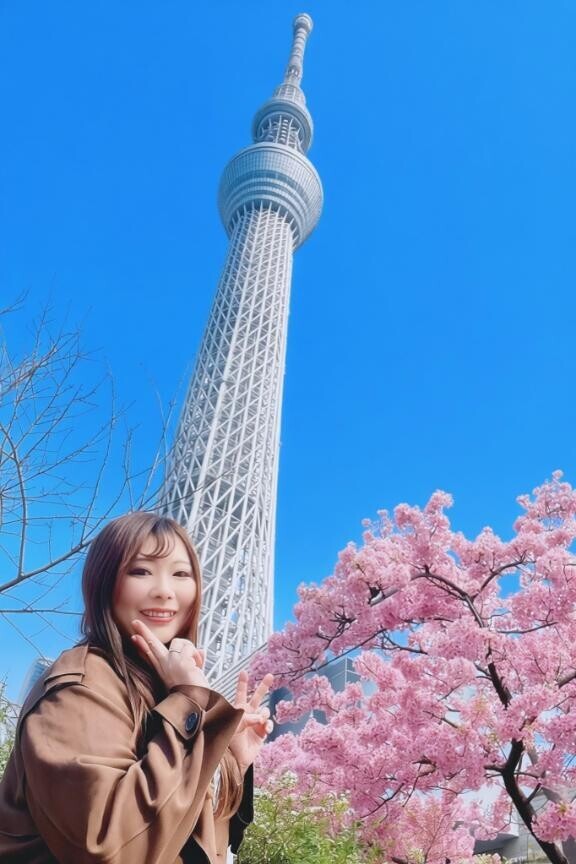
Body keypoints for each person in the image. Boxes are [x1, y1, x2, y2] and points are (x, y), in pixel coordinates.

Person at [0, 512, 273, 863]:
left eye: (181, 574)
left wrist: (231, 760)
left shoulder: (160, 690)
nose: (164, 591)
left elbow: (189, 841)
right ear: (104, 582)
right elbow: (111, 847)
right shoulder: (79, 686)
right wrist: (190, 701)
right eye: (141, 571)